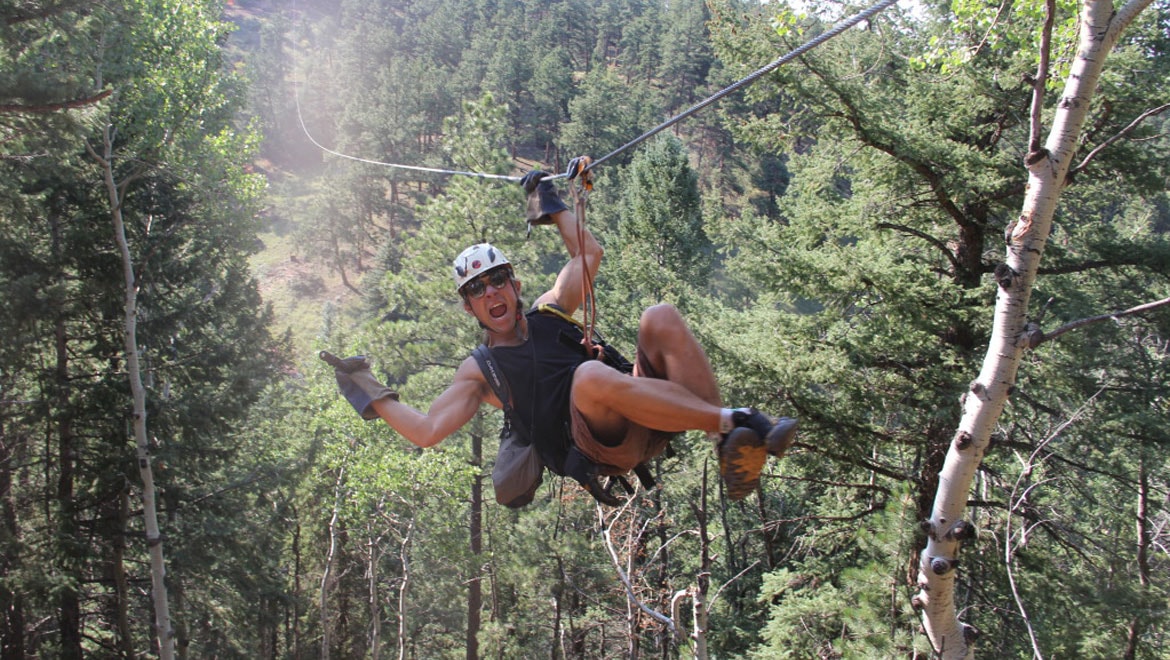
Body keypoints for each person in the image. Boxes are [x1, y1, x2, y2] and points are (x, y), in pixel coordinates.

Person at [330, 161, 797, 503]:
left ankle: (731, 450)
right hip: (601, 442)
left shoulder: (548, 311)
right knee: (588, 377)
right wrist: (369, 390)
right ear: (470, 306)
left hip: (646, 407)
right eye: (477, 289)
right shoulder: (480, 371)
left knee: (660, 316)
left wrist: (550, 205)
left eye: (497, 280)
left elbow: (587, 256)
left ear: (514, 285)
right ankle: (734, 420)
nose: (490, 292)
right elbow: (428, 430)